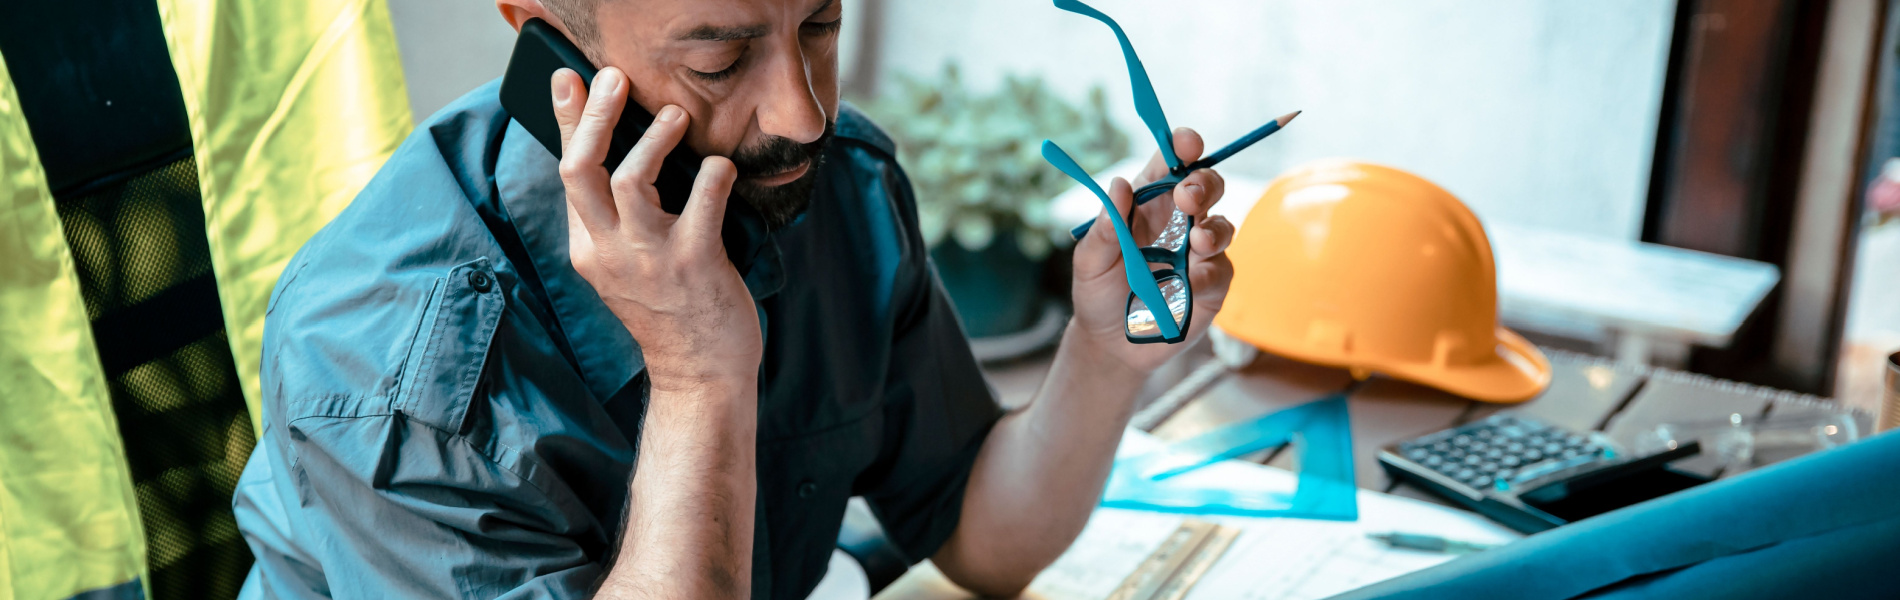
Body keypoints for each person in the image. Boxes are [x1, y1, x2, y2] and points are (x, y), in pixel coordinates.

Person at [230, 0, 1237, 597]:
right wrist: (700, 377)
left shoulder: (837, 183)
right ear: (545, 32)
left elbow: (978, 535)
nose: (803, 111)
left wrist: (1104, 356)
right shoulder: (388, 363)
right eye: (717, 59)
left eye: (820, 24)